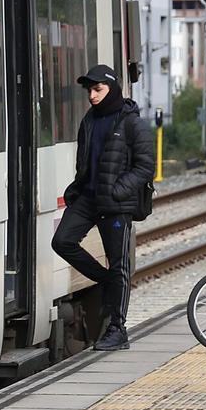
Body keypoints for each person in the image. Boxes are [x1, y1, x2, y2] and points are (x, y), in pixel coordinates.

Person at [51, 64, 155, 351]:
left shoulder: (132, 123)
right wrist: (77, 187)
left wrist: (118, 190)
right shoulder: (89, 120)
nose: (92, 96)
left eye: (98, 90)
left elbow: (147, 167)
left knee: (120, 262)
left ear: (112, 89)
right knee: (62, 241)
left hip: (116, 203)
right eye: (90, 91)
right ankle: (106, 280)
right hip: (88, 197)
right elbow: (84, 160)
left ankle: (117, 330)